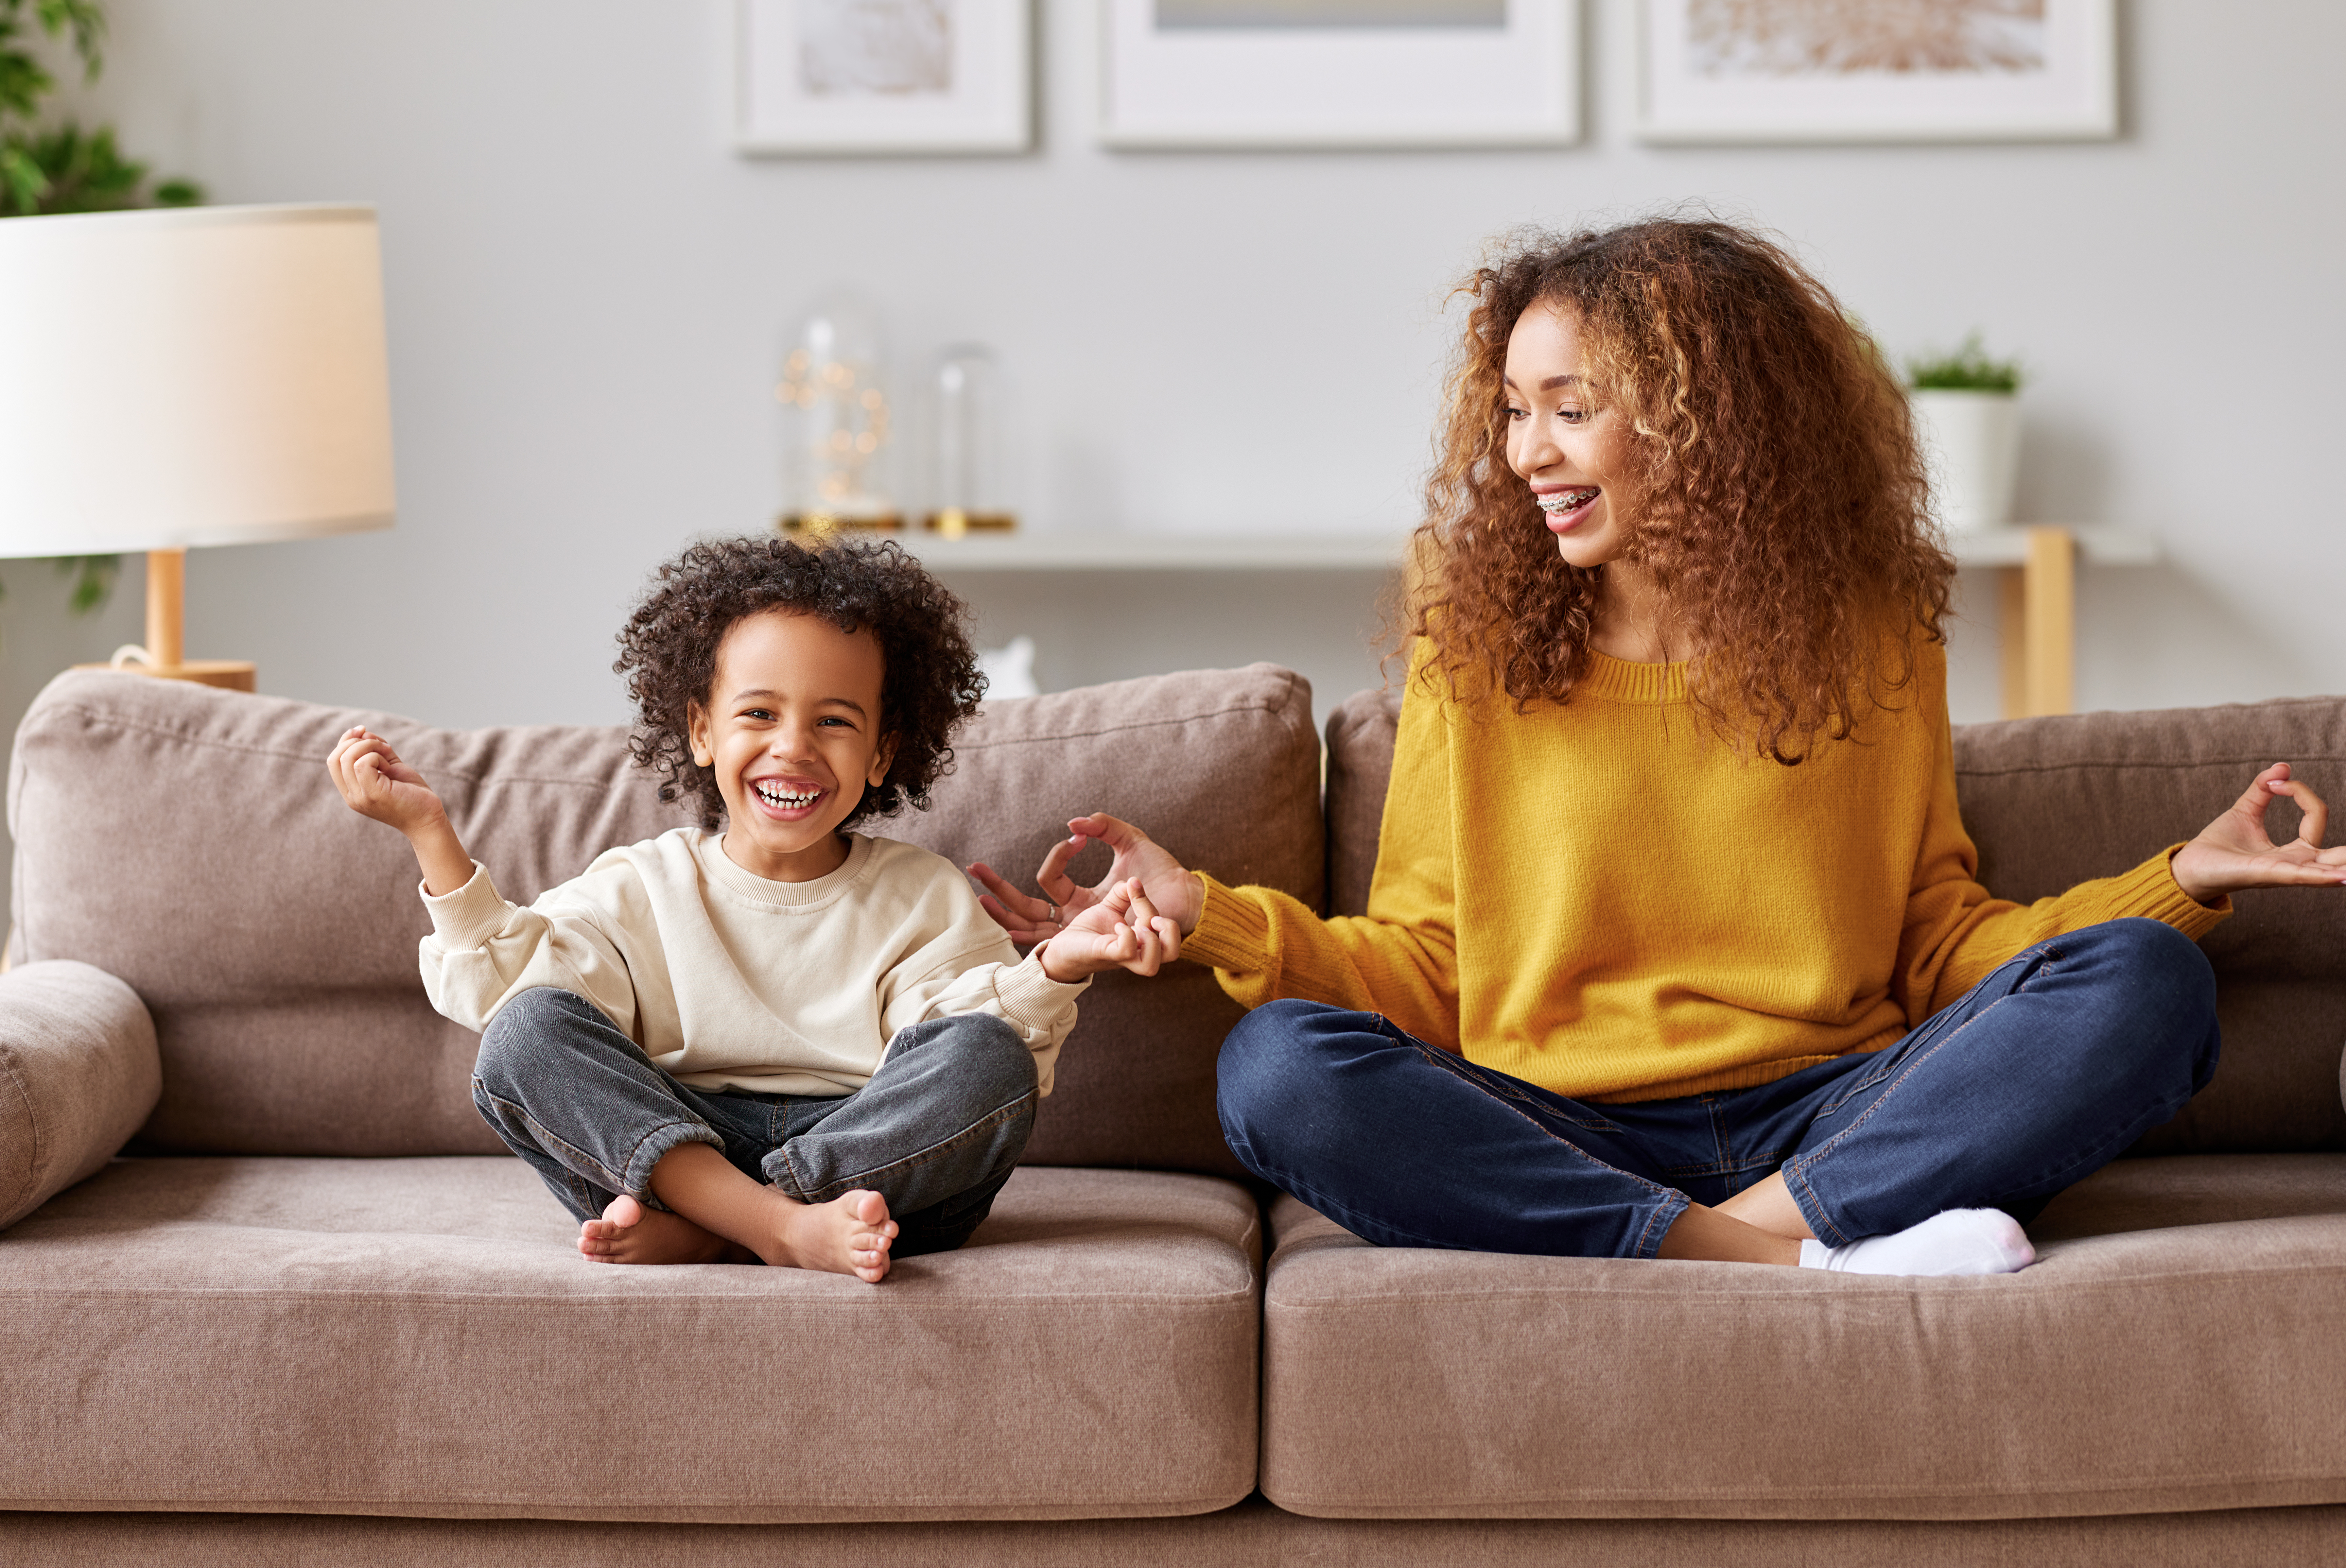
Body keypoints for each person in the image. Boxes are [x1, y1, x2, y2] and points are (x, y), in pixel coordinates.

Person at [971, 217, 2346, 1277]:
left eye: (1571, 408)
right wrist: (1205, 912)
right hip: (1559, 1118)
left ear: (1713, 420)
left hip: (1837, 1106)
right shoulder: (1479, 647)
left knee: (2148, 979)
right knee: (1278, 1071)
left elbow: (1937, 940)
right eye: (1513, 410)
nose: (1524, 453)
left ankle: (1732, 1236)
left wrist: (2188, 878)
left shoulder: (1869, 638)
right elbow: (1432, 971)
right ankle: (1789, 1255)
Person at [329, 536, 1181, 1281]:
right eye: (759, 714)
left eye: (835, 721)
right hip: (671, 1144)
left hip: (869, 1163)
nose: (793, 747)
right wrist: (430, 835)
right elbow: (506, 992)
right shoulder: (641, 884)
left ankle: (725, 1231)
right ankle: (773, 1228)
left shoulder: (920, 895)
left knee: (990, 1062)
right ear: (701, 730)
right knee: (525, 1036)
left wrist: (1059, 966)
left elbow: (960, 1041)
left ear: (885, 750)